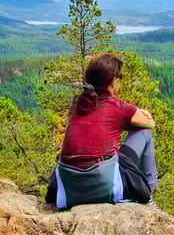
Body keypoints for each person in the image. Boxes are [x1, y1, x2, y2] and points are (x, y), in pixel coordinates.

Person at [45, 53, 159, 209]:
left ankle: (146, 191)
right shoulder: (117, 106)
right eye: (120, 78)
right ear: (112, 81)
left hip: (70, 187)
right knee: (144, 132)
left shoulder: (77, 102)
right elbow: (149, 124)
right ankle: (148, 193)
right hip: (104, 185)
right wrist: (142, 112)